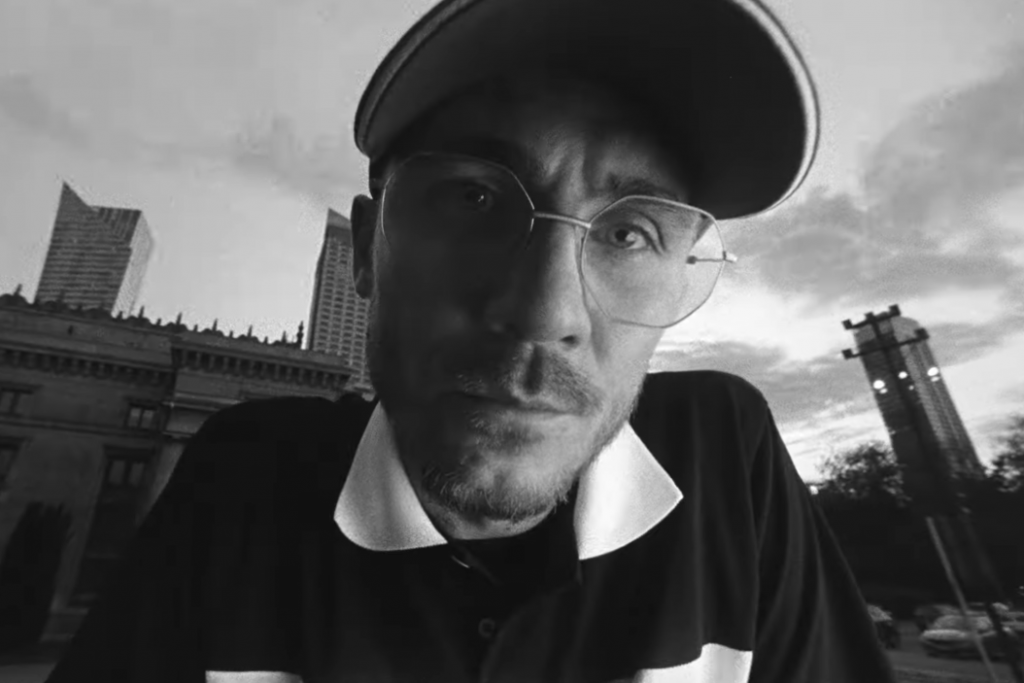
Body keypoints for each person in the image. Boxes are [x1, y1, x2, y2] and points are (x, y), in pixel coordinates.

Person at [47, 0, 897, 681]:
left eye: (629, 233)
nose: (543, 313)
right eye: (472, 199)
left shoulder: (727, 462)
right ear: (367, 250)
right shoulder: (245, 482)